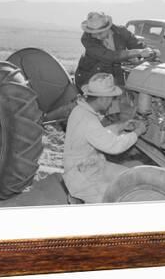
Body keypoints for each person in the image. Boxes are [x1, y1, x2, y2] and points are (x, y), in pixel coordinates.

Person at [63, 73, 148, 203]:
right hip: (81, 175)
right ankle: (78, 198)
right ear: (103, 99)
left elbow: (99, 135)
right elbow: (114, 146)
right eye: (111, 99)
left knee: (129, 177)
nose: (111, 103)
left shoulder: (81, 111)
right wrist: (137, 132)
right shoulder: (88, 120)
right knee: (116, 199)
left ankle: (78, 198)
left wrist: (121, 127)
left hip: (90, 165)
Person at [74, 12, 155, 89]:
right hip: (90, 76)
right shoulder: (87, 39)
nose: (97, 37)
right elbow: (110, 56)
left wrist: (150, 52)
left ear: (108, 27)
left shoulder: (121, 32)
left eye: (100, 33)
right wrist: (137, 53)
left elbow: (138, 45)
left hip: (114, 74)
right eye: (94, 33)